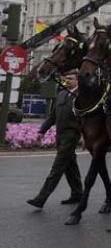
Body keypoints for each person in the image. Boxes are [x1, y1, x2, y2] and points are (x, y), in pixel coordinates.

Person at [27, 70, 83, 208]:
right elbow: (53, 116)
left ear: (78, 81)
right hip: (60, 134)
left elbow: (85, 118)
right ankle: (77, 194)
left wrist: (84, 136)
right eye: (66, 78)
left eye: (70, 78)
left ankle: (41, 198)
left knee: (57, 167)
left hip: (72, 134)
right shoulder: (62, 94)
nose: (67, 80)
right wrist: (42, 131)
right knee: (70, 165)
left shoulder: (82, 96)